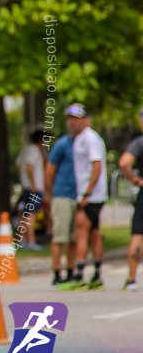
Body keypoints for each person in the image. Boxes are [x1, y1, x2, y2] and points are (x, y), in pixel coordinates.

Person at [60, 103, 108, 290]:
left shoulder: (89, 139)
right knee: (94, 234)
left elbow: (96, 166)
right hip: (90, 194)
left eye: (76, 118)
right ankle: (97, 275)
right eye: (70, 118)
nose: (72, 122)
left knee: (81, 231)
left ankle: (78, 275)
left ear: (85, 120)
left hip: (91, 195)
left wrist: (87, 192)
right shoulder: (79, 139)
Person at [44, 127, 78, 289]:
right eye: (71, 119)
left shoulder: (85, 143)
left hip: (79, 196)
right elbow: (49, 171)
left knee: (74, 238)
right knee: (60, 236)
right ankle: (57, 274)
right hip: (62, 195)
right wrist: (51, 194)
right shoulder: (62, 144)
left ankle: (72, 272)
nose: (74, 122)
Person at [117, 107, 143, 291]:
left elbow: (124, 162)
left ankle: (132, 279)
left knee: (138, 234)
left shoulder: (139, 143)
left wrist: (132, 178)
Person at [15, 129, 47, 250]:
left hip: (26, 186)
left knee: (25, 214)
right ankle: (31, 241)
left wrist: (24, 179)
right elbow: (29, 166)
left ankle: (22, 240)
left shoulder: (25, 149)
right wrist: (33, 182)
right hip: (34, 187)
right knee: (31, 214)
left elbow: (18, 165)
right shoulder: (34, 151)